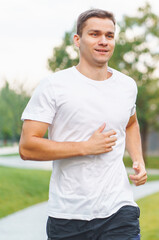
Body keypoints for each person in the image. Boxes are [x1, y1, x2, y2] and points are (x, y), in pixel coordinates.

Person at [19, 8, 147, 240]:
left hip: (119, 210)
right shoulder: (54, 86)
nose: (103, 41)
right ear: (77, 40)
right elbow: (27, 147)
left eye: (109, 35)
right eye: (94, 34)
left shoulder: (127, 86)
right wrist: (85, 147)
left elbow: (131, 124)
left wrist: (138, 160)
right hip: (69, 216)